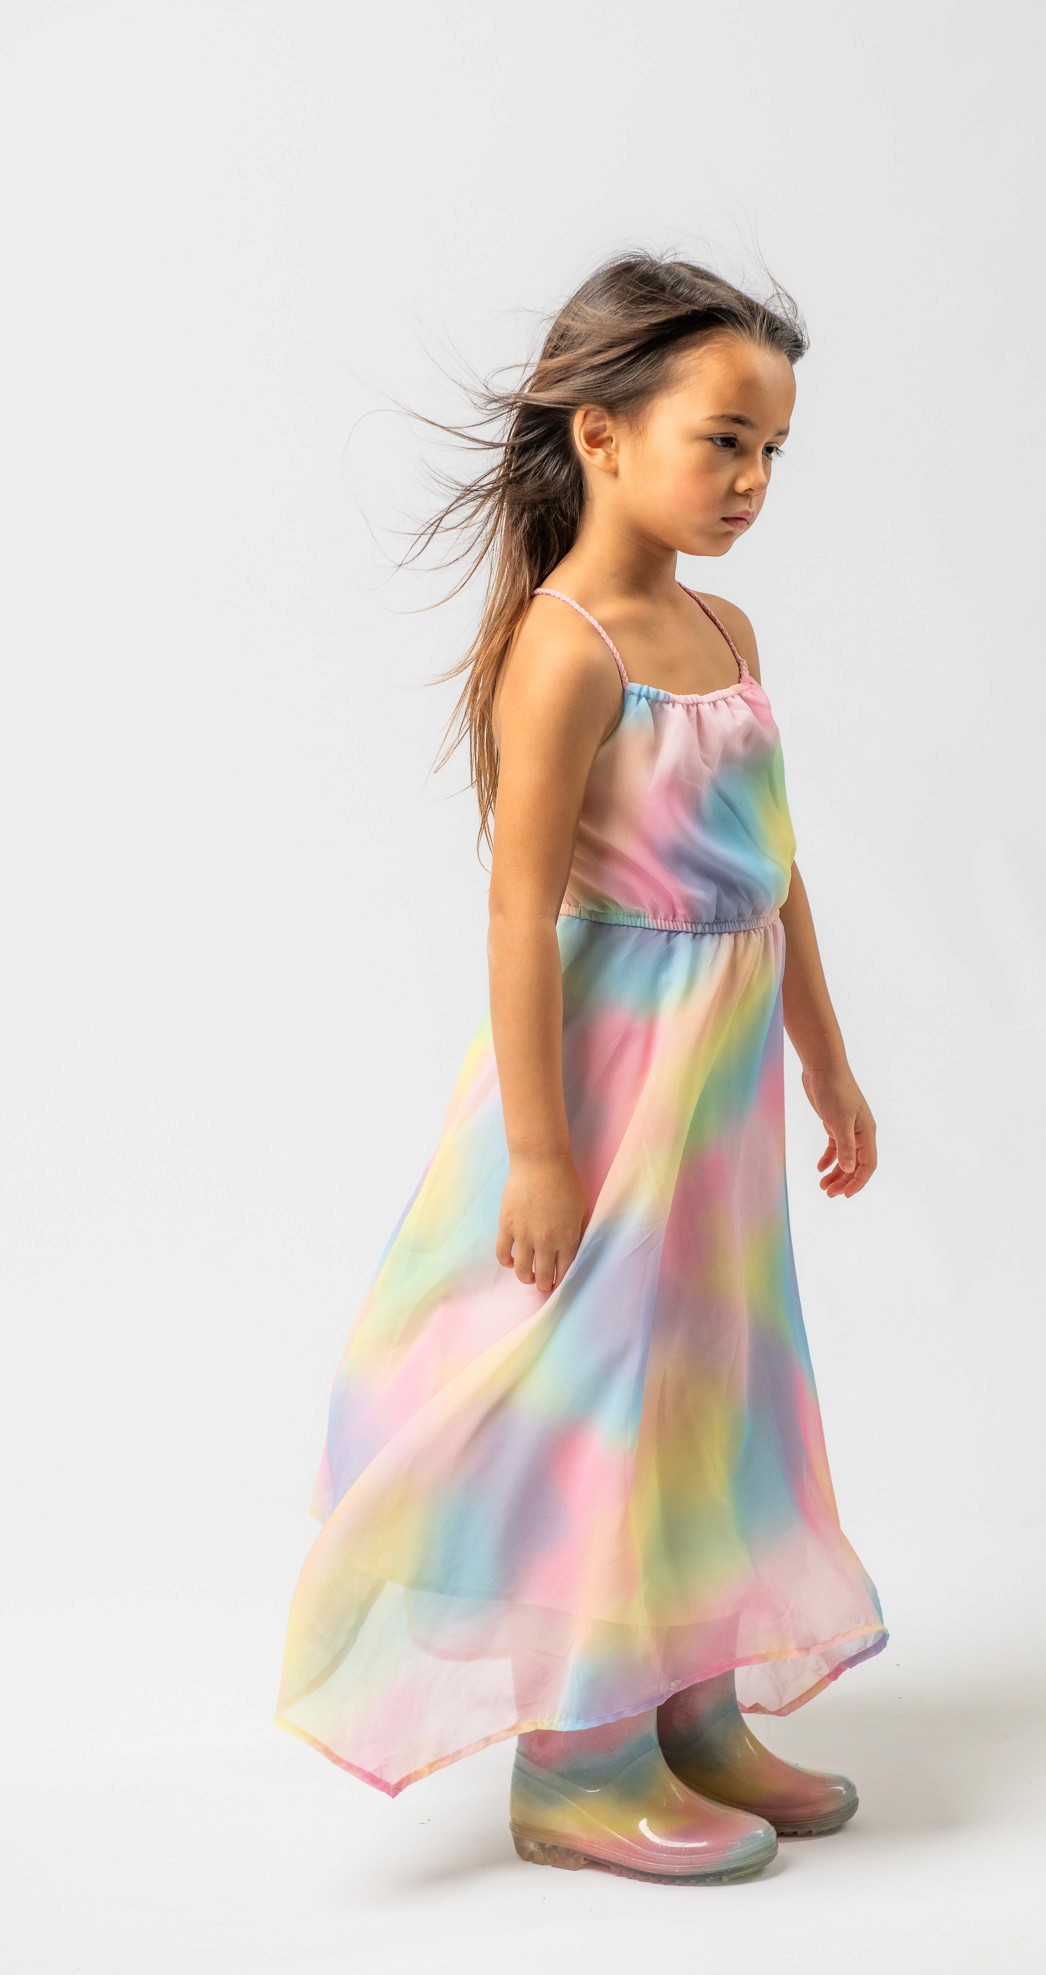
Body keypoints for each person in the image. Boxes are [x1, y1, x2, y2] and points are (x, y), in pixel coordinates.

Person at [275, 251, 889, 1885]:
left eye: (770, 449)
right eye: (723, 439)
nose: (751, 479)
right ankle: (579, 1756)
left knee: (706, 1380)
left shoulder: (722, 626)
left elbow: (774, 867)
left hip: (719, 1092)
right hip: (611, 1078)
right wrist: (541, 1150)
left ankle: (694, 1703)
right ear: (601, 436)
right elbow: (518, 909)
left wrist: (828, 1063)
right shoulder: (564, 648)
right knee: (596, 1389)